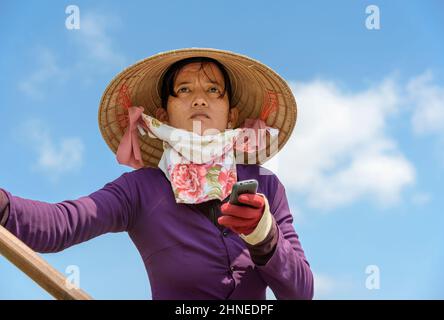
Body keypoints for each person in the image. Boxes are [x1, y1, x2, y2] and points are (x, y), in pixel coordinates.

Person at [0, 48, 314, 300]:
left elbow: (301, 292)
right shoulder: (139, 190)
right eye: (184, 89)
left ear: (231, 115)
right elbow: (62, 224)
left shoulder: (266, 187)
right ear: (163, 114)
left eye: (214, 90)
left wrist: (264, 235)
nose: (199, 98)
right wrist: (4, 206)